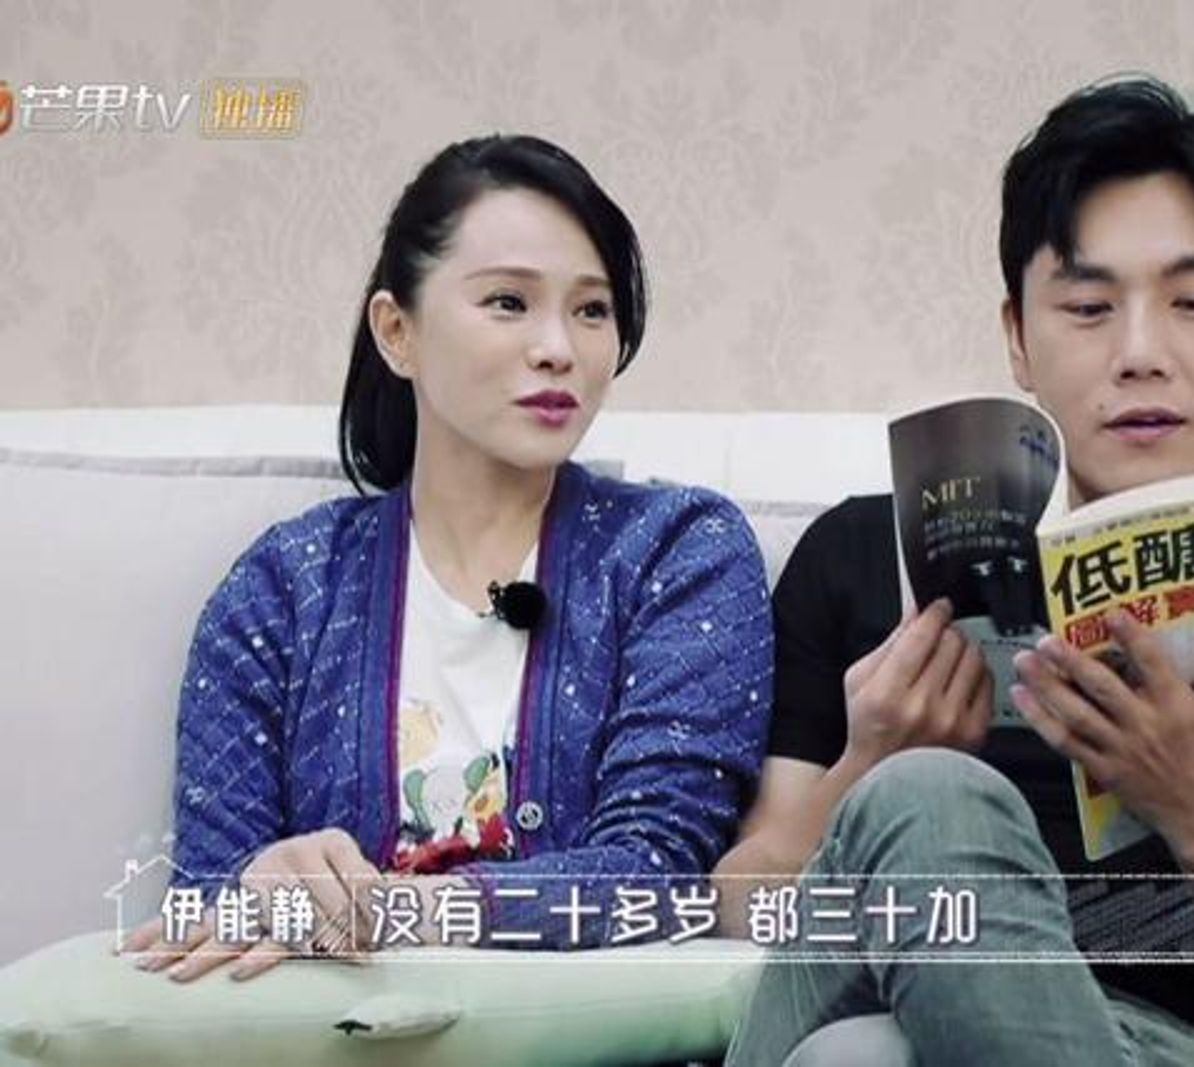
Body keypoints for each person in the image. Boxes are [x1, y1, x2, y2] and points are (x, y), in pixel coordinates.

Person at [716, 77, 1194, 1066]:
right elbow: (744, 906)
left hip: (1173, 1046)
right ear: (1017, 338)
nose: (1139, 354)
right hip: (858, 993)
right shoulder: (867, 557)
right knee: (923, 812)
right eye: (1086, 307)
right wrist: (870, 766)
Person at [118, 134, 773, 981]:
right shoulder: (283, 588)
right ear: (398, 331)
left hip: (594, 1032)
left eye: (591, 310)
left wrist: (399, 911)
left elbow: (661, 872)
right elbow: (204, 916)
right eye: (508, 302)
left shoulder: (677, 553)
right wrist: (258, 882)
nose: (559, 348)